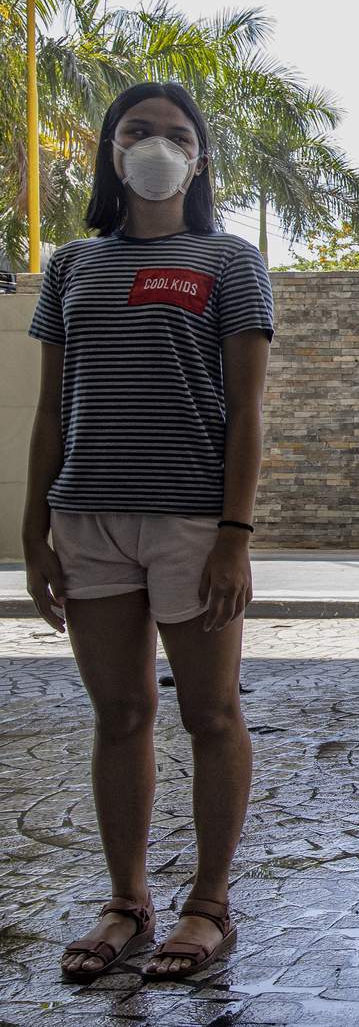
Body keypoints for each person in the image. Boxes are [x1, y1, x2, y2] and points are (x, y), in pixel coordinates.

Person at [23, 82, 274, 981]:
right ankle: (127, 898)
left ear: (199, 160)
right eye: (139, 131)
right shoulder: (72, 265)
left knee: (212, 712)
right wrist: (32, 530)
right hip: (86, 517)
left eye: (176, 135)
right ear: (111, 150)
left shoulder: (230, 261)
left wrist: (235, 533)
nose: (157, 145)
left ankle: (209, 902)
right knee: (120, 712)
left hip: (191, 521)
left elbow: (246, 411)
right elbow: (52, 409)